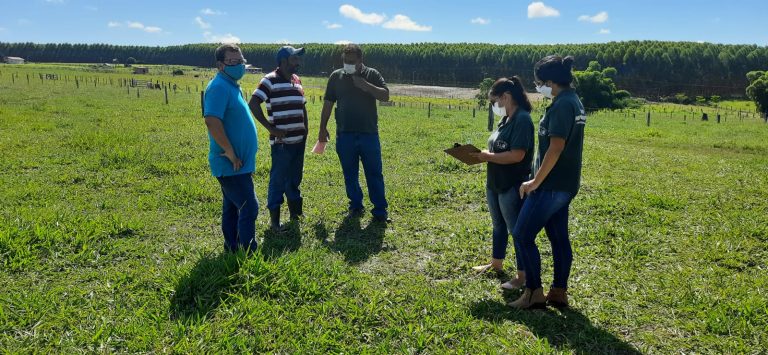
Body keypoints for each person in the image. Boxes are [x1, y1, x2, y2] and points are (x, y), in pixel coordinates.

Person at [509, 55, 586, 309]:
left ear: (550, 81)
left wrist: (534, 182)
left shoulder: (563, 104)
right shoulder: (572, 100)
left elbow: (556, 147)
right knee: (558, 237)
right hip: (564, 184)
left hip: (551, 186)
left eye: (539, 82)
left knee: (522, 234)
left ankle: (533, 293)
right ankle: (558, 291)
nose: (537, 86)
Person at [470, 77, 534, 291]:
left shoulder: (523, 120)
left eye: (494, 101)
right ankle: (496, 263)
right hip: (495, 182)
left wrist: (487, 156)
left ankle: (522, 276)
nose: (493, 106)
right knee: (498, 226)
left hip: (512, 185)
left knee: (517, 231)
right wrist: (482, 155)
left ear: (506, 97)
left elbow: (517, 155)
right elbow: (499, 149)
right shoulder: (505, 120)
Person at [318, 43, 391, 222]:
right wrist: (322, 128)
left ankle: (380, 211)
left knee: (374, 173)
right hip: (345, 135)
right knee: (349, 173)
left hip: (369, 134)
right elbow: (328, 103)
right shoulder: (336, 77)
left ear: (360, 60)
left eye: (351, 61)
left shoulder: (372, 74)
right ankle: (356, 206)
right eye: (345, 61)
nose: (347, 64)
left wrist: (365, 85)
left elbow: (385, 96)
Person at [203, 43, 259, 252]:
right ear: (220, 65)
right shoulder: (218, 87)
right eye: (233, 62)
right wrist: (229, 150)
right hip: (229, 162)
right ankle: (247, 250)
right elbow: (211, 120)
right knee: (249, 206)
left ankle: (232, 247)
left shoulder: (231, 86)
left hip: (238, 163)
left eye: (241, 61)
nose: (239, 66)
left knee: (232, 208)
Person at [248, 46, 308, 231]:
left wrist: (306, 129)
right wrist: (270, 128)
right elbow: (253, 103)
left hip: (299, 141)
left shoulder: (296, 80)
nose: (298, 62)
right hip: (282, 144)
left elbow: (302, 106)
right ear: (283, 61)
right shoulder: (269, 80)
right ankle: (274, 222)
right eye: (294, 58)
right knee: (278, 180)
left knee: (295, 178)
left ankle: (295, 214)